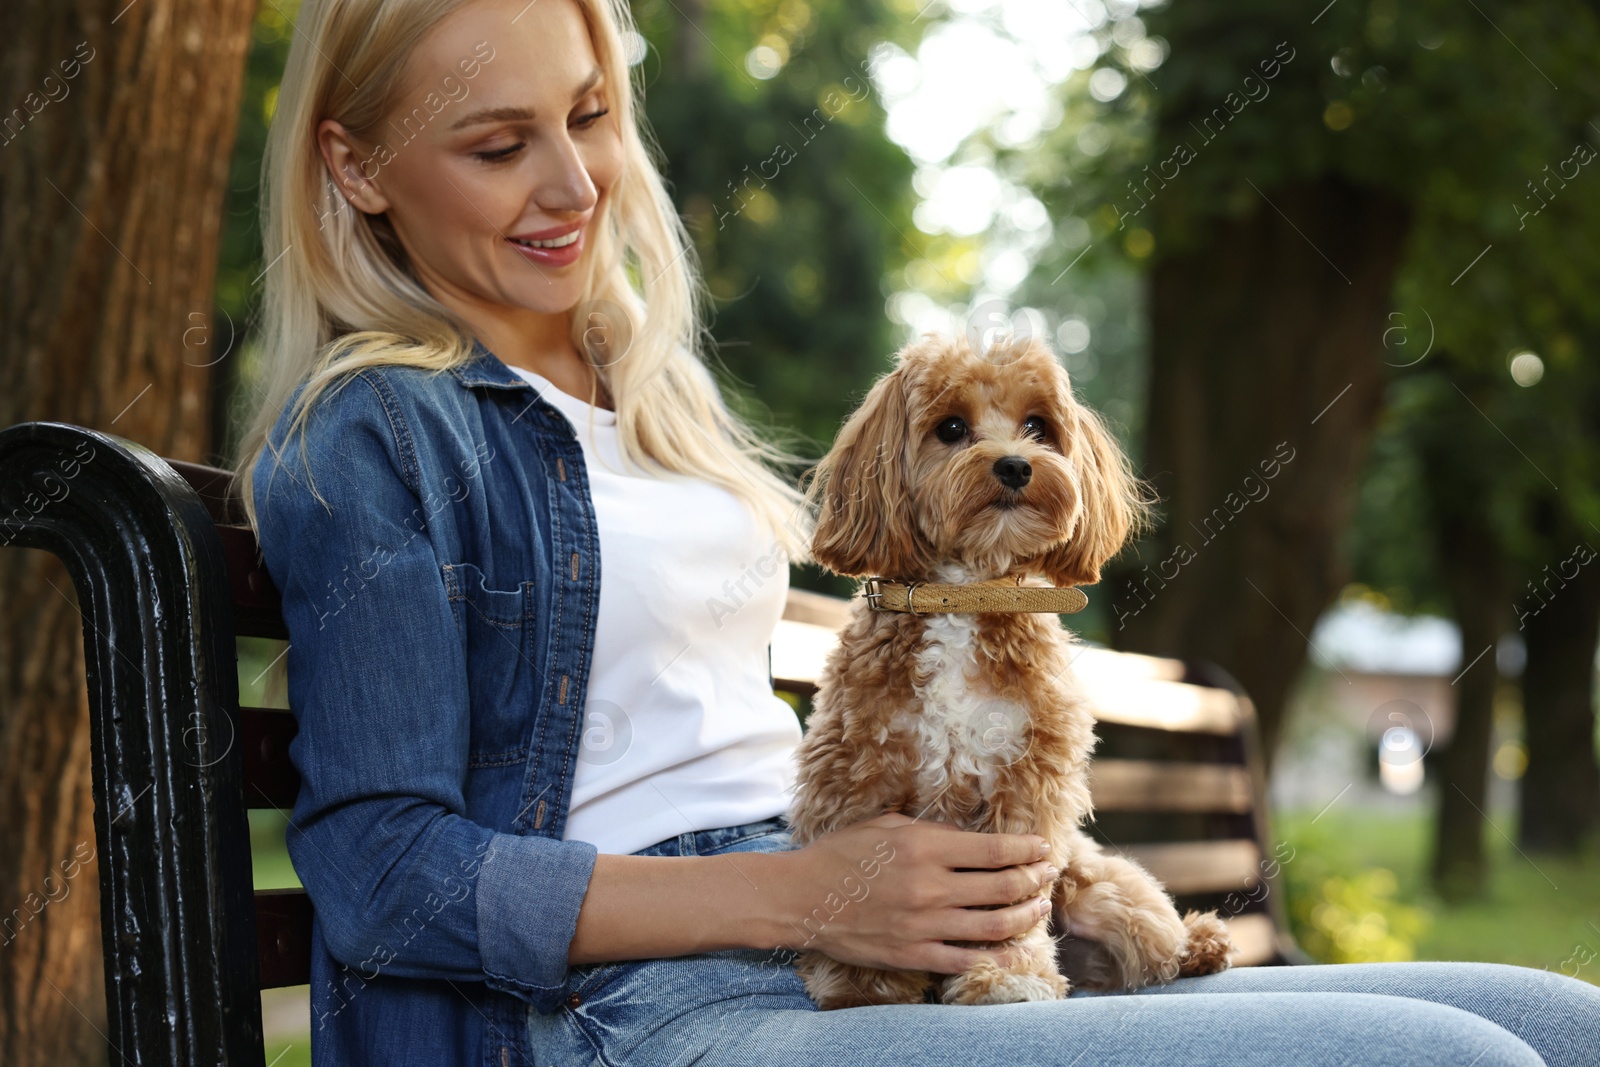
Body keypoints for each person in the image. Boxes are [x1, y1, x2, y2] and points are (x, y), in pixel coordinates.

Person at [234, 0, 1600, 1064]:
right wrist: (804, 900)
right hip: (636, 1016)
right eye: (495, 144)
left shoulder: (646, 400)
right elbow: (388, 880)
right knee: (1449, 1061)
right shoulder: (378, 436)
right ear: (354, 166)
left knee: (1563, 1028)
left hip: (856, 948)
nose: (574, 185)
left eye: (588, 117)